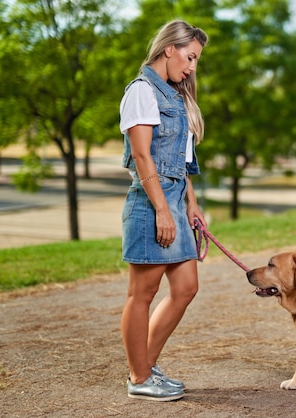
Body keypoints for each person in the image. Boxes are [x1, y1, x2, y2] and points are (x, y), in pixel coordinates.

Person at [118, 20, 209, 402]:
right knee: (142, 293)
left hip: (173, 201)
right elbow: (141, 156)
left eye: (195, 61)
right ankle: (139, 378)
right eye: (189, 57)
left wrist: (191, 203)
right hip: (149, 203)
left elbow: (181, 162)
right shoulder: (142, 92)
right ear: (169, 48)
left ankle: (145, 367)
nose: (191, 67)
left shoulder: (174, 95)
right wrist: (162, 210)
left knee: (186, 287)